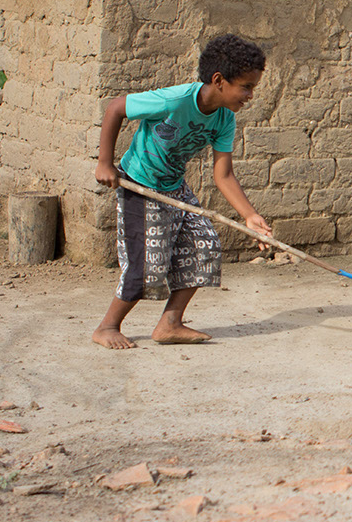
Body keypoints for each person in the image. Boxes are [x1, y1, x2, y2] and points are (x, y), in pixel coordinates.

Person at [91, 34, 273, 349]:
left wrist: (250, 216)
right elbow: (116, 108)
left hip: (175, 186)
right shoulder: (173, 101)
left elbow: (224, 174)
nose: (250, 95)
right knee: (146, 264)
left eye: (253, 87)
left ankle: (170, 323)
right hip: (141, 185)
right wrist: (105, 163)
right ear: (219, 80)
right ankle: (108, 326)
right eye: (246, 86)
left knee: (204, 248)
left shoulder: (224, 119)